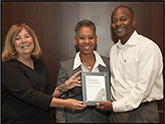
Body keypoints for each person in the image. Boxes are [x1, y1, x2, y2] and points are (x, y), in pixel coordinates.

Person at [2, 23, 87, 123]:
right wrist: (65, 104)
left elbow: (49, 93)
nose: (24, 41)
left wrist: (64, 87)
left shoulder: (40, 65)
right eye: (18, 38)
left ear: (33, 39)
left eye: (27, 36)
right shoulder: (9, 67)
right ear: (12, 45)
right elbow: (30, 96)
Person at [96, 5, 163, 123]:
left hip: (141, 112)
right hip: (116, 113)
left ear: (133, 21)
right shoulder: (114, 49)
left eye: (123, 19)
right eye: (114, 21)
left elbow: (143, 89)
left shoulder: (148, 48)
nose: (118, 24)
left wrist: (114, 106)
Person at [55, 19, 111, 123]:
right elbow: (60, 101)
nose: (86, 41)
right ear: (76, 40)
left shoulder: (108, 64)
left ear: (96, 39)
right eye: (82, 38)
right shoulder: (66, 66)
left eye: (90, 37)